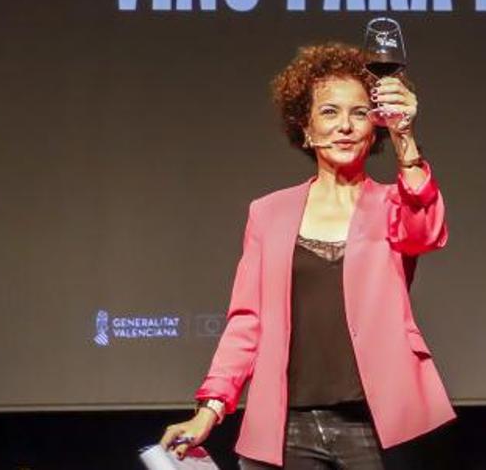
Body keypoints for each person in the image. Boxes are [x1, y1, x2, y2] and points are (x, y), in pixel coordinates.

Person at [158, 42, 454, 468]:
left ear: (375, 127)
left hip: (372, 424)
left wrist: (405, 135)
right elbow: (247, 322)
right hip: (285, 428)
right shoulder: (268, 213)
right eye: (330, 112)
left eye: (359, 113)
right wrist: (210, 408)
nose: (345, 126)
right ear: (306, 128)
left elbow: (425, 233)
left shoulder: (396, 202)